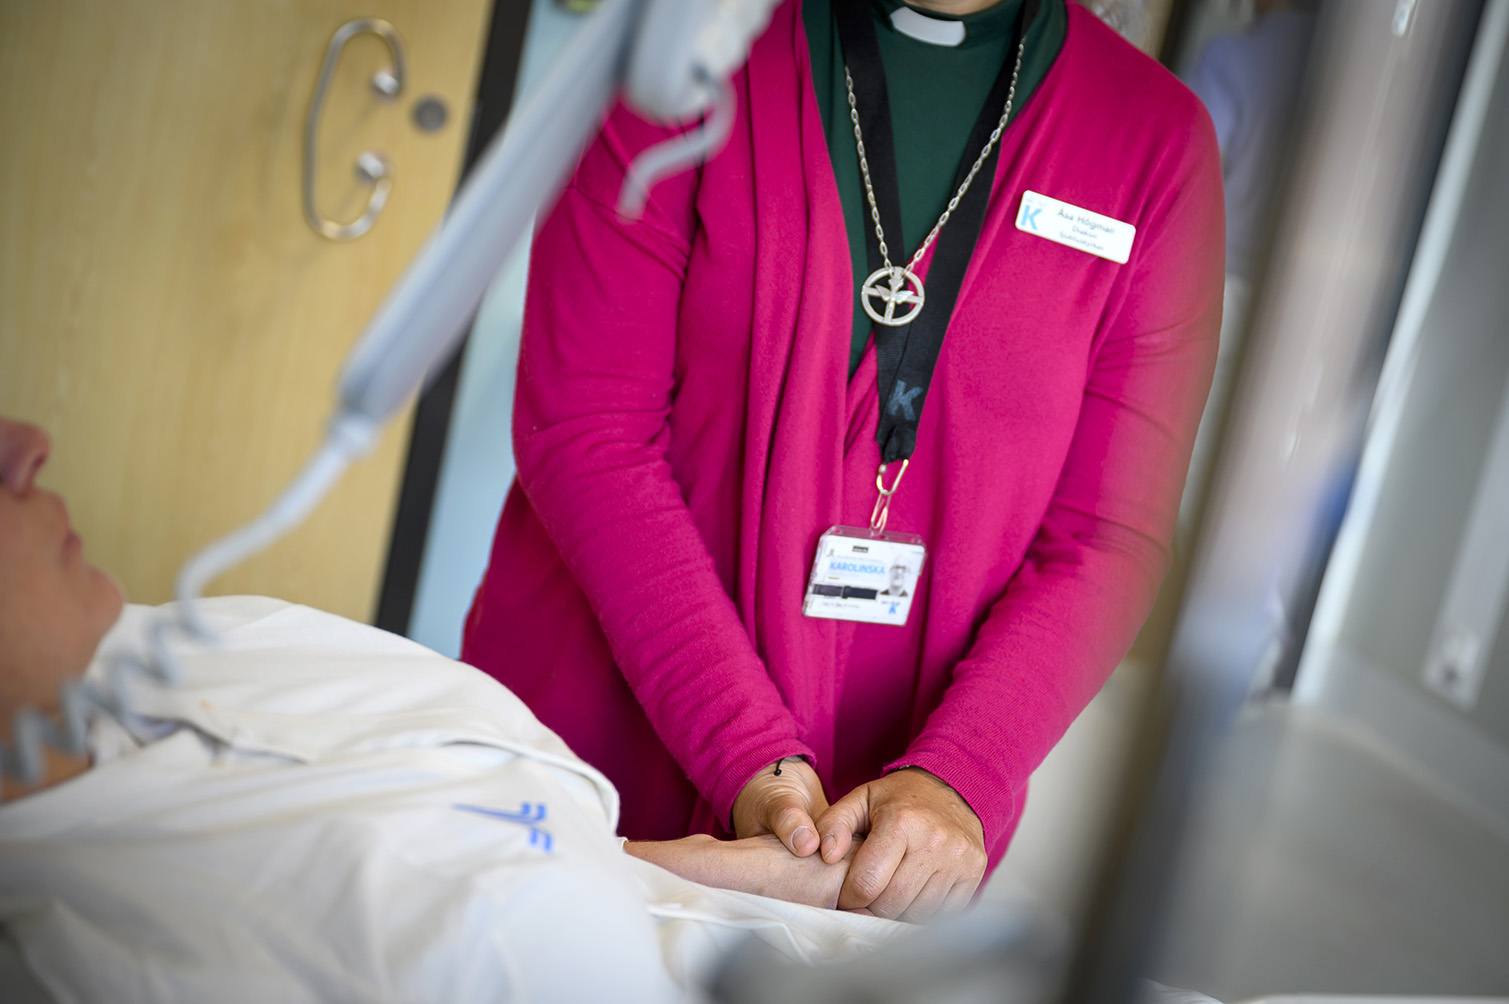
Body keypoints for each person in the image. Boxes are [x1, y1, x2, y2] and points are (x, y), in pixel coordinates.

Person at [463, 0, 1224, 923]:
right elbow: (588, 431)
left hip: (892, 838)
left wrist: (956, 776)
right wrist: (755, 765)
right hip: (598, 739)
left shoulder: (1152, 141)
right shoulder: (683, 44)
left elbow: (1105, 537)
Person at [0, 417, 900, 1003]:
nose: (27, 444)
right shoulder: (99, 956)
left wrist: (705, 873)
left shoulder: (177, 650)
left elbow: (425, 832)